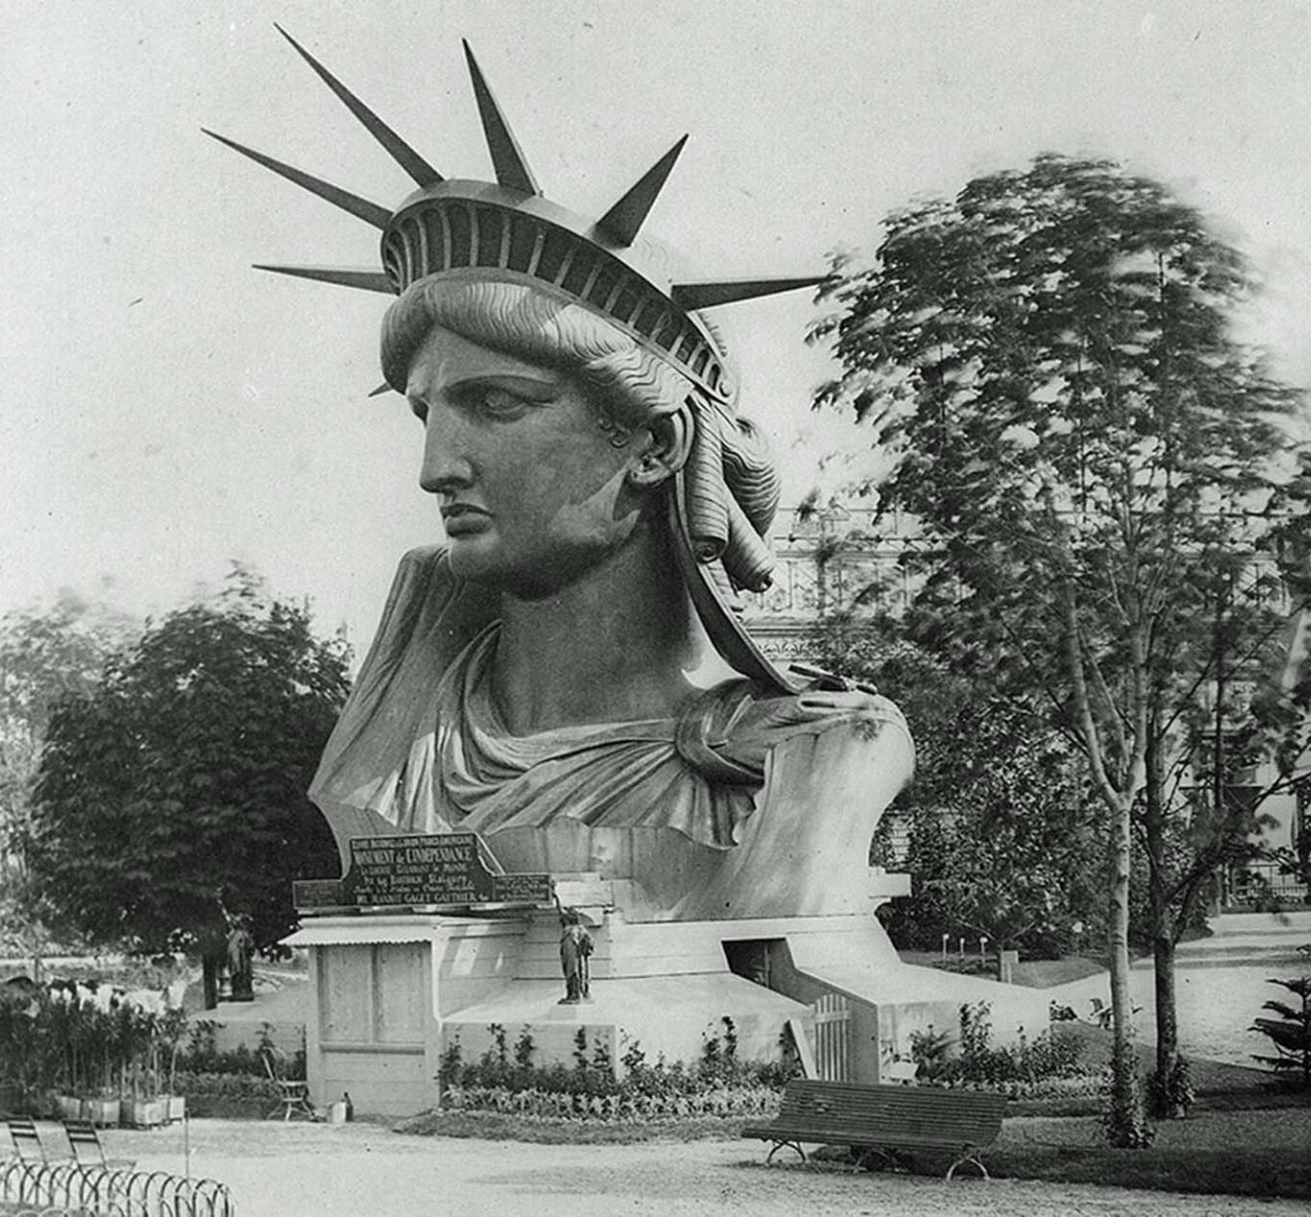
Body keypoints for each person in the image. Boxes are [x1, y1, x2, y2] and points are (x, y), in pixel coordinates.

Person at [218, 36, 915, 918]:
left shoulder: (807, 750)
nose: (436, 469)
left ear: (654, 447)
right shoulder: (395, 740)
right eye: (425, 412)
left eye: (497, 405)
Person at [558, 911, 594, 1004]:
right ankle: (579, 993)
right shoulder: (580, 930)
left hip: (573, 959)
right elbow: (590, 942)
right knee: (578, 974)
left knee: (573, 974)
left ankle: (575, 995)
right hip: (577, 959)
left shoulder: (570, 932)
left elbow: (569, 949)